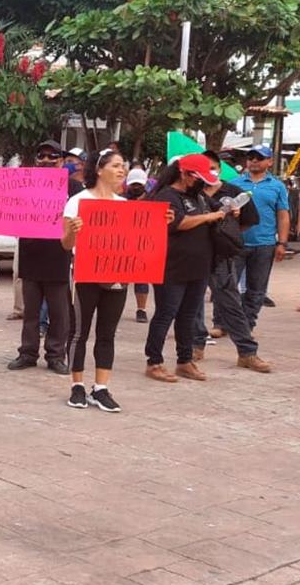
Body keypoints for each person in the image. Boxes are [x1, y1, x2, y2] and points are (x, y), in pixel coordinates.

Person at [61, 149, 150, 412]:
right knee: (79, 332)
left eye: (123, 166)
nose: (122, 170)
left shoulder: (124, 206)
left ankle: (101, 388)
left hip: (117, 276)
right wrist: (74, 232)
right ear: (99, 170)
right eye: (116, 165)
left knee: (107, 333)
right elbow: (65, 244)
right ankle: (77, 385)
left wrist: (159, 225)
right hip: (85, 274)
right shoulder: (77, 202)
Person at [142, 155, 225, 383]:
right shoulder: (166, 196)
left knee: (189, 315)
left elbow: (217, 209)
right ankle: (154, 361)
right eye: (199, 178)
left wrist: (229, 209)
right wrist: (208, 216)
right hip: (171, 267)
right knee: (166, 313)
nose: (202, 183)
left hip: (198, 267)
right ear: (185, 174)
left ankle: (185, 360)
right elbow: (178, 223)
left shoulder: (198, 196)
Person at [191, 152, 271, 373]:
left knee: (231, 303)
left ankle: (247, 352)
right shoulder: (190, 192)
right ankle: (195, 345)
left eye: (213, 167)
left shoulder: (233, 191)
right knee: (193, 304)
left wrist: (226, 233)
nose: (210, 172)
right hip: (193, 256)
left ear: (219, 168)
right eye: (204, 168)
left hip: (221, 258)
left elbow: (249, 221)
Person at [7, 140, 78, 375]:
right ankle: (27, 353)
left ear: (62, 160)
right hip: (30, 256)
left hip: (58, 257)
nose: (46, 160)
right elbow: (9, 210)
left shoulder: (74, 188)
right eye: (42, 156)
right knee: (31, 312)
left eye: (52, 156)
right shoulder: (24, 185)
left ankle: (56, 355)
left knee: (59, 313)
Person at [231, 144, 290, 332]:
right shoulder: (234, 183)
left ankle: (247, 325)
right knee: (228, 286)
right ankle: (222, 323)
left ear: (270, 162)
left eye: (259, 157)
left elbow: (282, 215)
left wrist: (281, 242)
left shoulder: (277, 186)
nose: (254, 161)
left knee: (256, 289)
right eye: (251, 157)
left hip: (264, 244)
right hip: (235, 243)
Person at [124, 168, 152, 322]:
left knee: (142, 278)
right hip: (124, 243)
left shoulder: (152, 200)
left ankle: (141, 309)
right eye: (132, 184)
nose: (135, 187)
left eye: (138, 184)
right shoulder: (121, 200)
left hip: (143, 244)